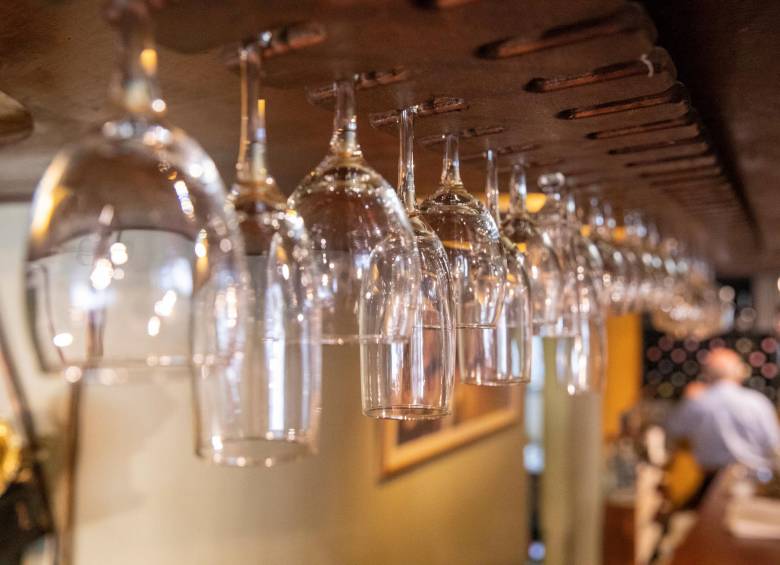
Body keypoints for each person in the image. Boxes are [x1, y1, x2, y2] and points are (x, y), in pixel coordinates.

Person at [666, 347, 780, 506]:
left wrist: (687, 399)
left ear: (707, 374)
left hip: (712, 483)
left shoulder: (697, 402)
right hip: (756, 485)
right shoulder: (758, 402)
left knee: (682, 516)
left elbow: (672, 432)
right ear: (739, 372)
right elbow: (774, 445)